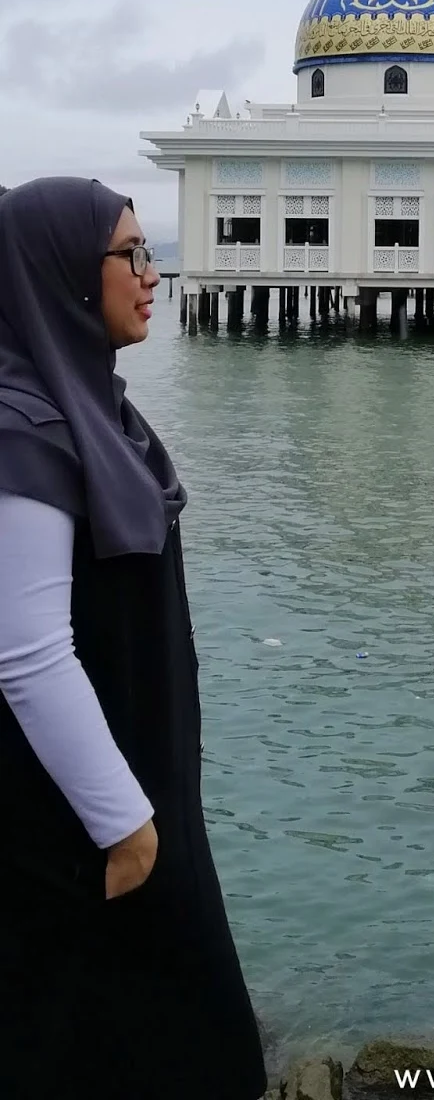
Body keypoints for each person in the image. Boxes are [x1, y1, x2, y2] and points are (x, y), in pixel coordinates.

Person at [0, 177, 267, 1100]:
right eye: (130, 255)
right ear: (66, 274)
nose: (153, 276)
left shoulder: (94, 409)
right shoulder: (24, 429)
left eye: (150, 252)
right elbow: (27, 652)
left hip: (137, 792)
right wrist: (129, 832)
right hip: (85, 824)